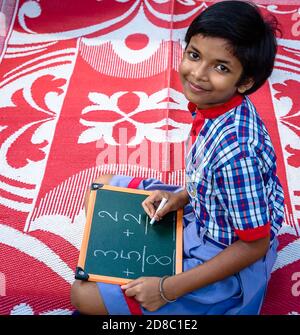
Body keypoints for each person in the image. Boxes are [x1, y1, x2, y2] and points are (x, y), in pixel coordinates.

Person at [71, 0, 284, 315]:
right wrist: (183, 197)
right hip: (205, 211)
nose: (198, 74)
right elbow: (215, 182)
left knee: (82, 295)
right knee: (102, 188)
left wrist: (166, 289)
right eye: (195, 55)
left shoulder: (239, 152)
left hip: (224, 253)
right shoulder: (215, 108)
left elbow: (255, 244)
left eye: (221, 67)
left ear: (246, 82)